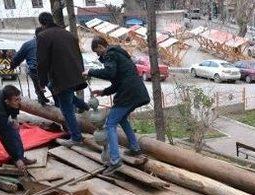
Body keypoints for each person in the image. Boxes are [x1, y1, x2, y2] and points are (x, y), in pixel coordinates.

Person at [85, 37, 151, 175]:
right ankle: (135, 148)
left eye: (97, 52)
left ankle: (115, 161)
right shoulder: (118, 55)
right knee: (121, 119)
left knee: (110, 124)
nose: (98, 55)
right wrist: (103, 92)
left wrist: (90, 72)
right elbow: (117, 81)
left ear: (101, 46)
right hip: (136, 92)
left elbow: (110, 73)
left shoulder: (111, 54)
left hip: (129, 93)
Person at [36, 12, 87, 145]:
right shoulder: (68, 33)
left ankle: (76, 138)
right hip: (74, 75)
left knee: (66, 109)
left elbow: (42, 62)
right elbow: (78, 54)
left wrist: (41, 82)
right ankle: (85, 106)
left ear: (42, 24)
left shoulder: (43, 36)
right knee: (59, 93)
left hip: (61, 77)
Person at [11, 27, 50, 105]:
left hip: (34, 69)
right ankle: (54, 102)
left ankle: (41, 97)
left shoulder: (27, 44)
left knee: (37, 82)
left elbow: (18, 57)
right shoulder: (49, 43)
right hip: (47, 70)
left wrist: (13, 66)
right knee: (52, 86)